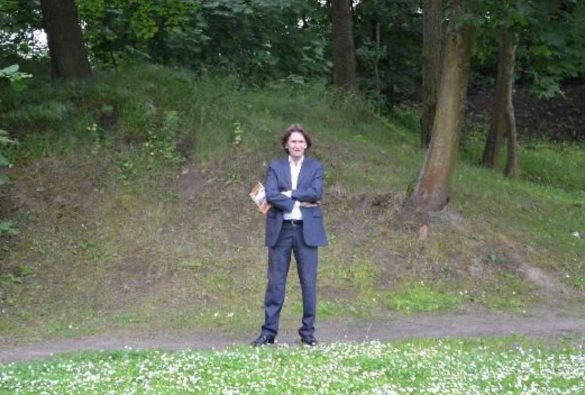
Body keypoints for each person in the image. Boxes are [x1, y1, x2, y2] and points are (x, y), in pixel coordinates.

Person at [251, 124, 328, 347]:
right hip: (281, 230)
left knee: (308, 283)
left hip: (307, 231)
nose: (297, 145)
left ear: (306, 145)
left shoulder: (315, 166)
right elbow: (271, 194)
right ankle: (269, 332)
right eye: (293, 141)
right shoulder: (276, 166)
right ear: (287, 144)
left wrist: (289, 194)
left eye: (301, 142)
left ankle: (307, 333)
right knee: (275, 283)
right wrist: (297, 200)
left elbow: (316, 193)